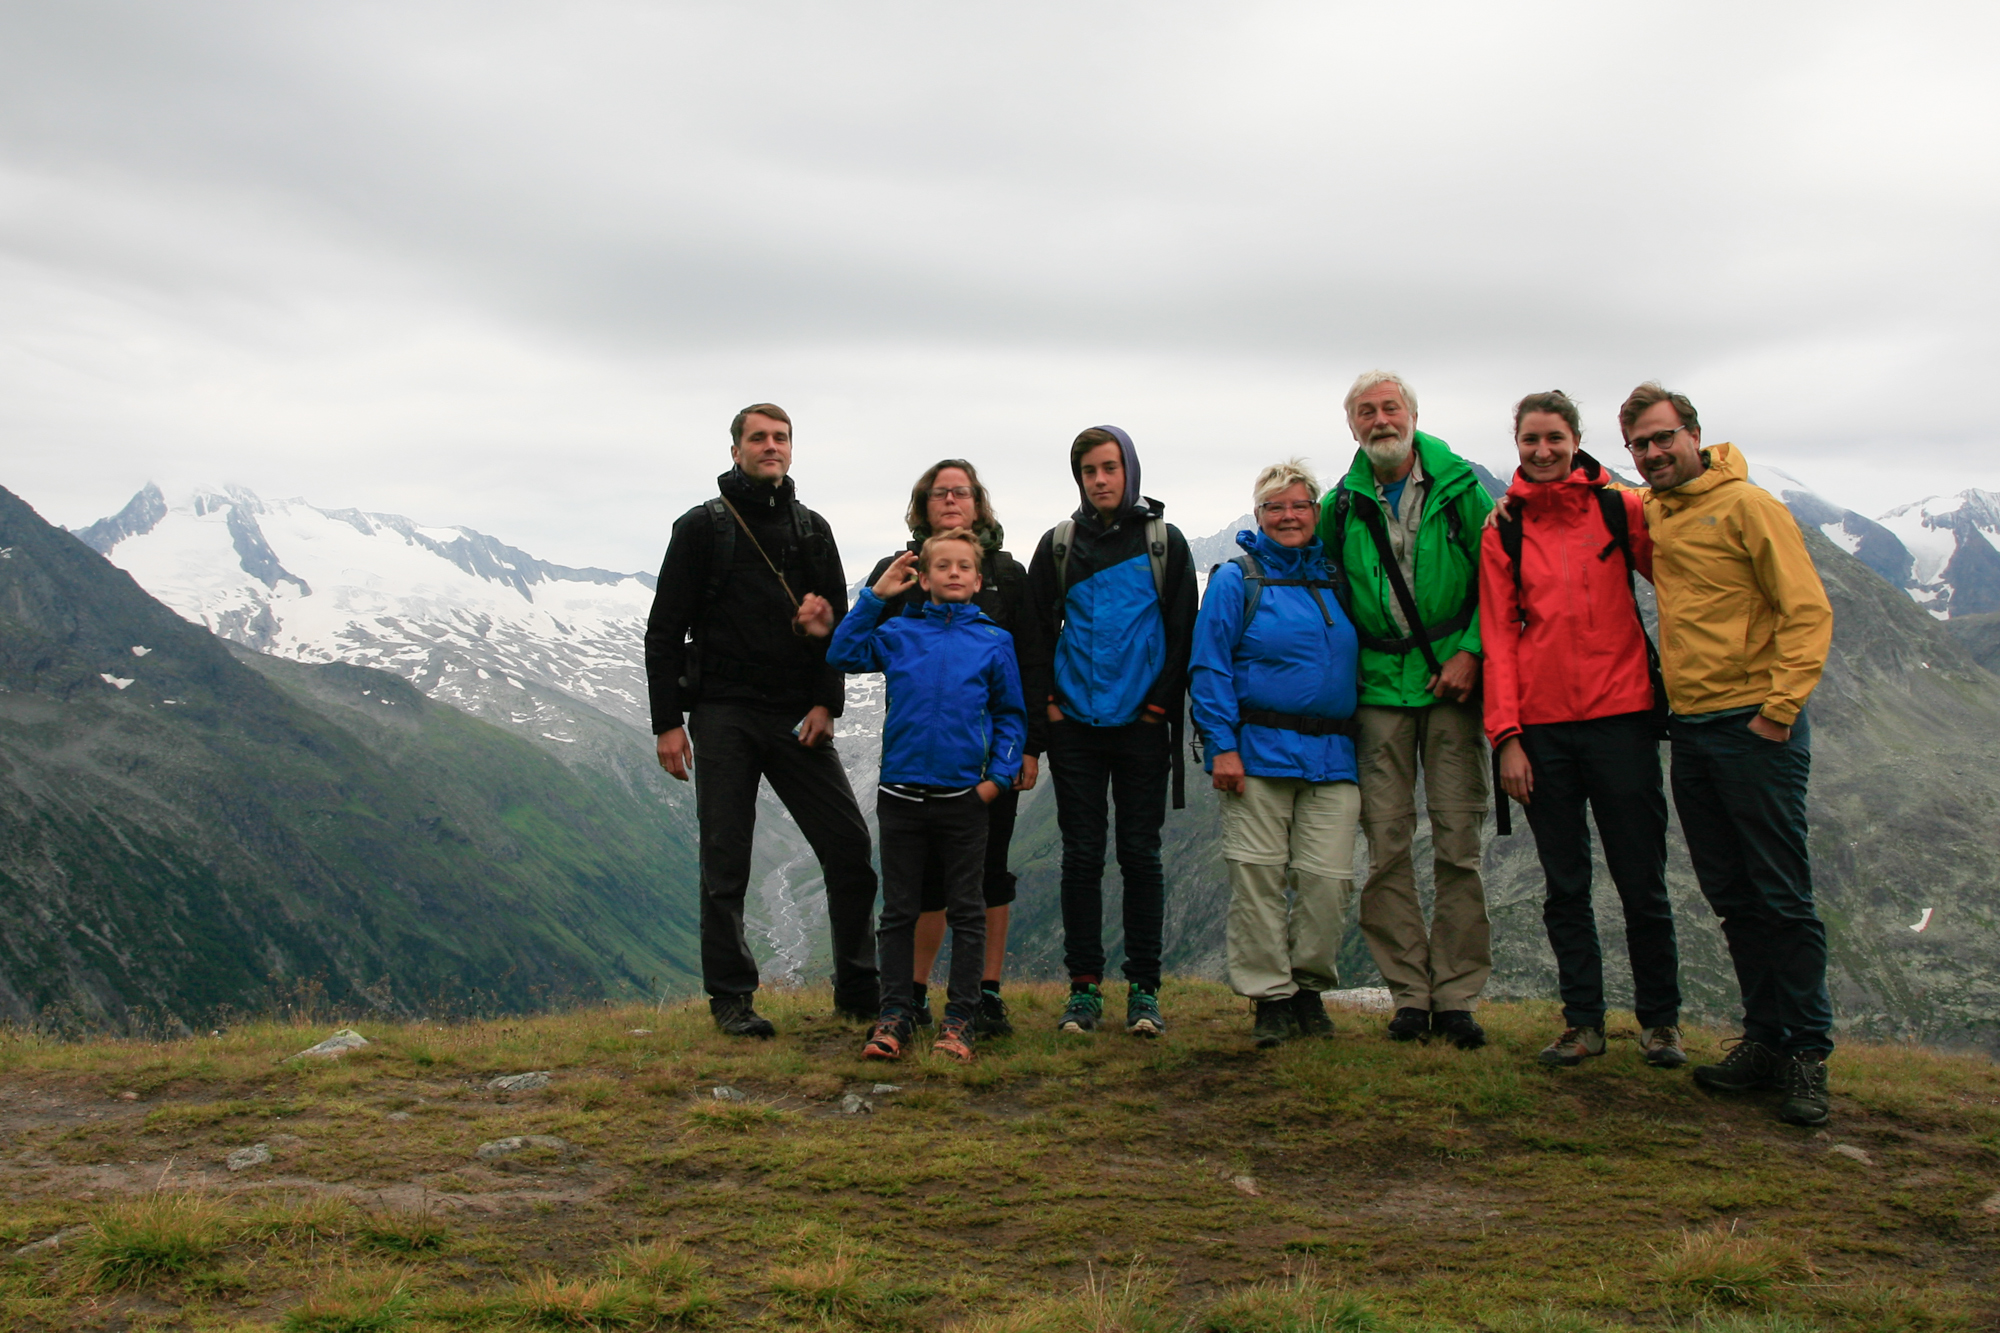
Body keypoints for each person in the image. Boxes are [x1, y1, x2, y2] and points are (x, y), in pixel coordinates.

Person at [1620, 382, 1835, 1125]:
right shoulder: (1657, 510)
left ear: (1694, 434)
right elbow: (1602, 499)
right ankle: (1765, 1040)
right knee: (1733, 896)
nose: (1654, 453)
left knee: (1782, 895)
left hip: (1753, 724)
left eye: (1663, 437)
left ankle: (1807, 1054)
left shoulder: (1749, 506)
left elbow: (1806, 609)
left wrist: (1779, 712)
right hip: (1693, 728)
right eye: (1640, 445)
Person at [643, 404, 879, 1037]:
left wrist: (826, 702)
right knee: (725, 862)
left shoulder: (813, 530)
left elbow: (835, 626)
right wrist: (668, 723)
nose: (770, 446)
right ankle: (731, 1000)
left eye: (780, 438)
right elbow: (664, 630)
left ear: (791, 449)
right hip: (722, 713)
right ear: (736, 450)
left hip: (795, 714)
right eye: (758, 438)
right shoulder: (701, 528)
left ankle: (860, 989)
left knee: (849, 848)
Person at [1481, 391, 1683, 1070]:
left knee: (1641, 880)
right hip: (1542, 730)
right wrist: (1506, 736)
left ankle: (1661, 1023)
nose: (1542, 451)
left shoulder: (1619, 509)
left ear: (1576, 439)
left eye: (1554, 438)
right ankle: (1583, 1022)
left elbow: (1679, 577)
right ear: (1517, 444)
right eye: (1530, 440)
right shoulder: (1504, 529)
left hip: (1622, 718)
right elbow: (1498, 637)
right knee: (1565, 885)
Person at [1316, 371, 1495, 1049]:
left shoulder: (1462, 491)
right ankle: (1410, 996)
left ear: (1414, 416)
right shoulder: (1340, 505)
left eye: (1390, 408)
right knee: (1386, 848)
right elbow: (1325, 591)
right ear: (1352, 426)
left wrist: (1472, 651)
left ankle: (1456, 996)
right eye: (1366, 412)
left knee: (1457, 843)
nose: (1380, 420)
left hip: (1451, 686)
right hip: (1376, 691)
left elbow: (1498, 579)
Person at [806, 528, 1028, 1063]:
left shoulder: (995, 641)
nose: (954, 573)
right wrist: (875, 596)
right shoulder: (899, 631)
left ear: (978, 580)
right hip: (900, 797)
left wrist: (995, 781)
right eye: (942, 566)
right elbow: (843, 651)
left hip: (964, 799)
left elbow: (1010, 716)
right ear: (923, 579)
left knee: (967, 911)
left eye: (964, 567)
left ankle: (960, 1020)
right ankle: (895, 1016)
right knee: (900, 911)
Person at [863, 461, 1049, 1038]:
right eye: (938, 492)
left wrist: (1027, 750)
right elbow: (861, 645)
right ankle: (912, 996)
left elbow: (1032, 660)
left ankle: (983, 996)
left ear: (978, 503)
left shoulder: (1008, 575)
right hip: (918, 762)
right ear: (922, 505)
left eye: (961, 492)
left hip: (985, 763)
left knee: (988, 875)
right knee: (920, 886)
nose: (950, 500)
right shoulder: (898, 570)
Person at [1027, 425, 1198, 1038]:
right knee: (1080, 856)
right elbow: (1036, 635)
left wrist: (1155, 710)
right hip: (1075, 725)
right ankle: (1084, 990)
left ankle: (1144, 990)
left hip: (1141, 728)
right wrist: (1050, 709)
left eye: (1109, 468)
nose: (1099, 480)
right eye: (1088, 471)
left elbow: (1182, 635)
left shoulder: (1164, 544)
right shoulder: (1059, 545)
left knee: (1140, 855)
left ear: (1129, 469)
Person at [1191, 459, 1362, 1049]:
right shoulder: (1236, 580)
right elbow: (1209, 666)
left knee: (1328, 882)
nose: (1288, 516)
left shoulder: (1337, 577)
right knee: (1258, 880)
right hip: (1258, 754)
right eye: (1274, 507)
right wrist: (1222, 746)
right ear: (1258, 515)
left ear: (1316, 512)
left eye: (1299, 506)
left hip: (1333, 755)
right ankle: (1272, 1000)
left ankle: (1308, 988)